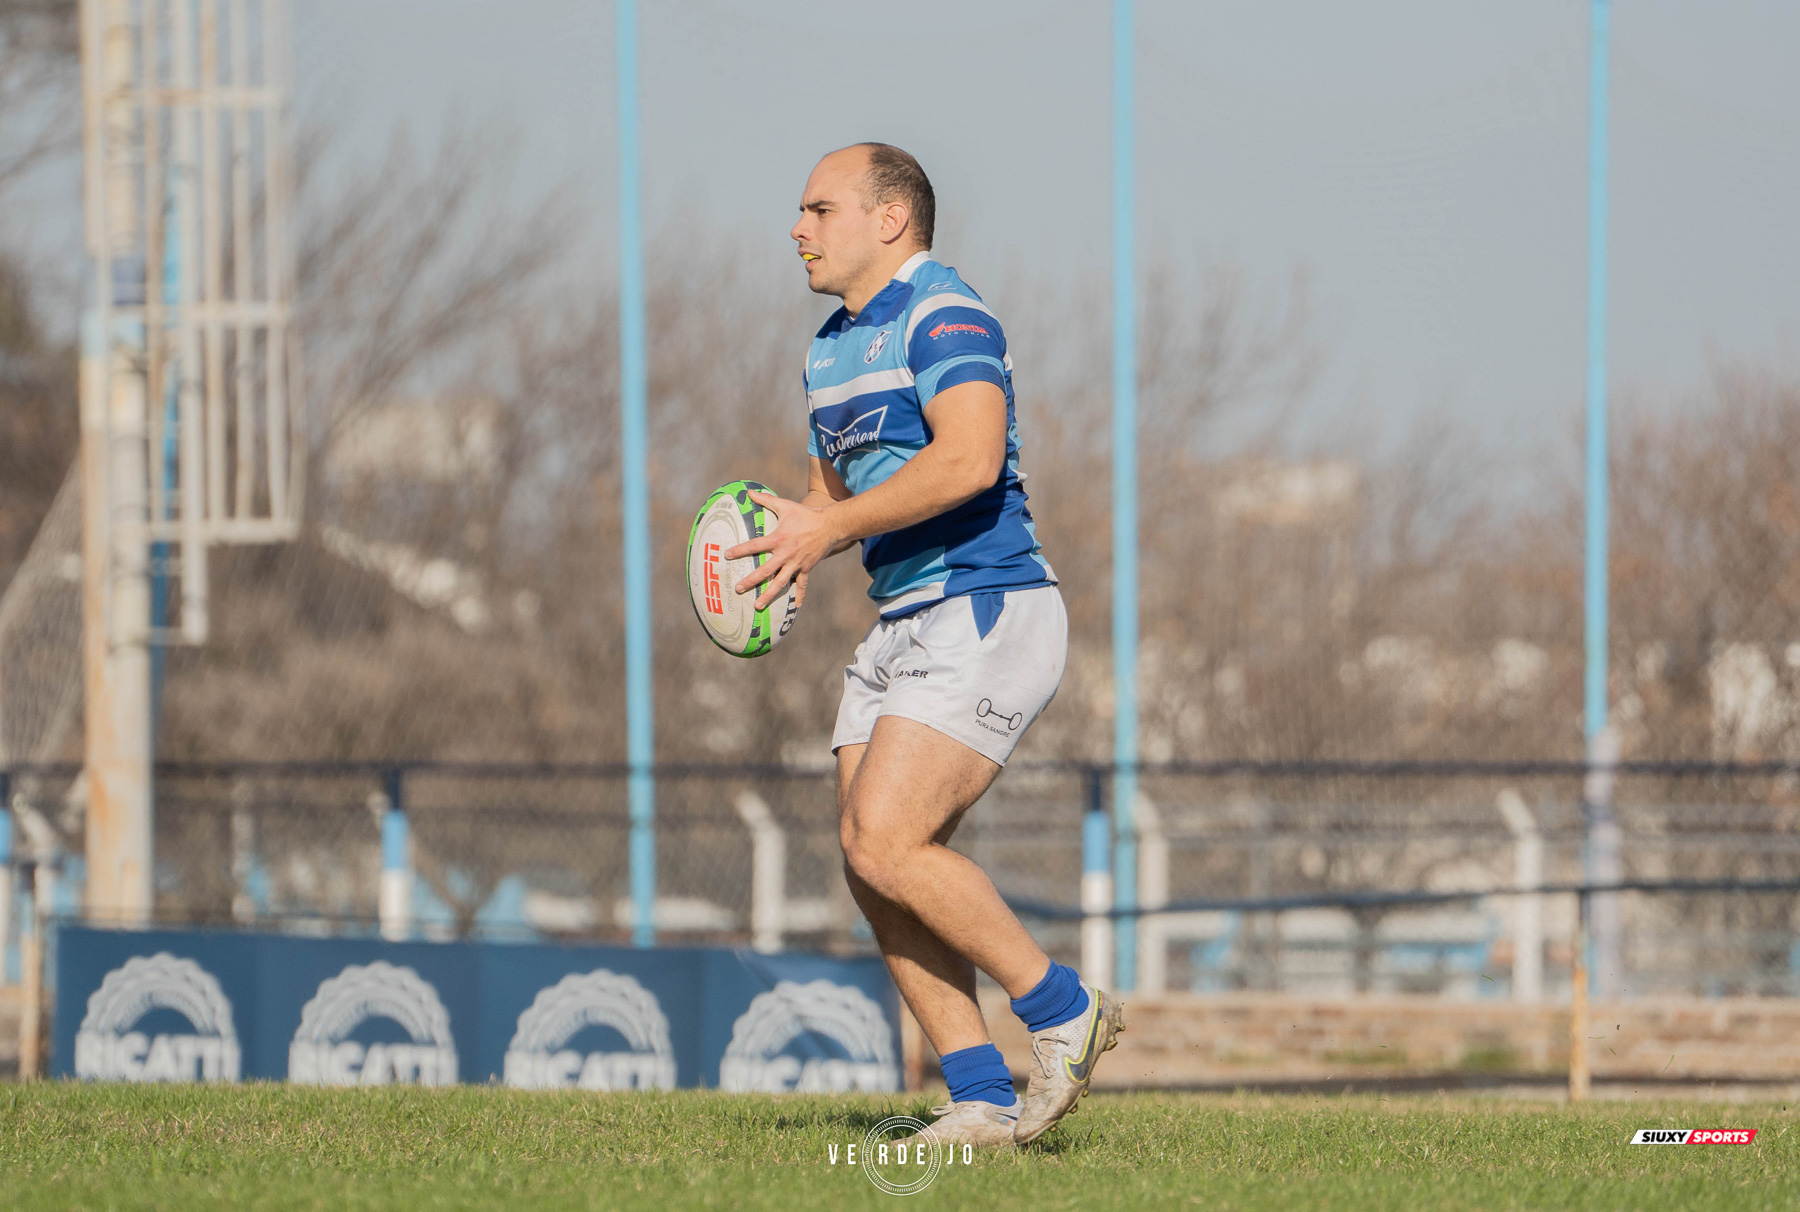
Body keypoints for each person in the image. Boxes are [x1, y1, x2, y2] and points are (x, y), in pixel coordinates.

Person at [726, 143, 1123, 1147]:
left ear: (890, 219)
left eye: (819, 207)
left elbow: (971, 459)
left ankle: (1064, 1009)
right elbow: (838, 497)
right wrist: (788, 541)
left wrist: (830, 529)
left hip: (989, 604)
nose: (797, 228)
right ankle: (981, 1099)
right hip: (904, 616)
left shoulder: (945, 314)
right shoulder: (826, 348)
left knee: (885, 838)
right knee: (873, 862)